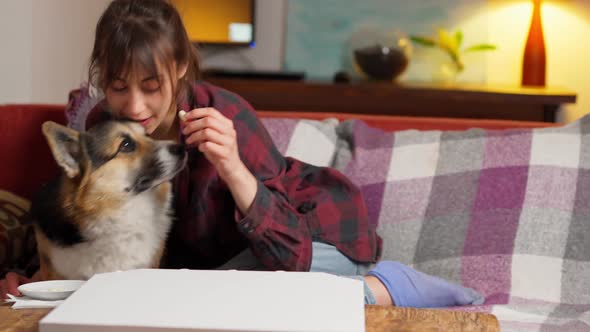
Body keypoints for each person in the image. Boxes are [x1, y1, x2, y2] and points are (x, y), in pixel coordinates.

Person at [0, 0, 483, 308]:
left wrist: (230, 164)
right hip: (221, 268)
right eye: (118, 86)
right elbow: (103, 231)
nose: (134, 106)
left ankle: (386, 286)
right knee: (190, 297)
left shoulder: (223, 113)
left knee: (229, 298)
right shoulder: (102, 125)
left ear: (181, 68)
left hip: (310, 240)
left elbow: (287, 253)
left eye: (152, 86)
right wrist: (37, 280)